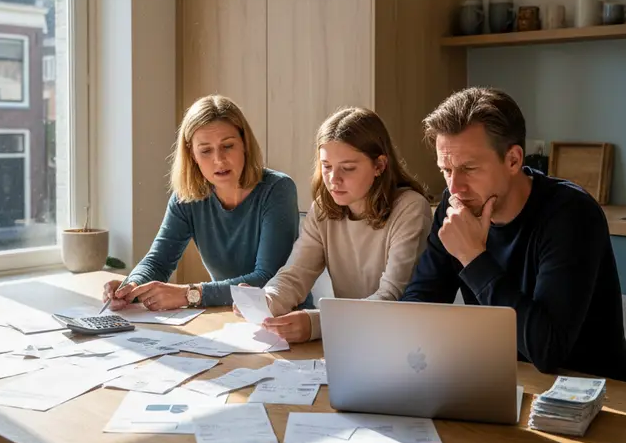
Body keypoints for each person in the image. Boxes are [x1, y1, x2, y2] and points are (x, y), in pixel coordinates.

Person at [402, 87, 626, 382]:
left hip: (592, 394)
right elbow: (418, 306)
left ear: (513, 160)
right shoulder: (455, 205)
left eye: (469, 168)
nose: (456, 186)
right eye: (446, 170)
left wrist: (473, 258)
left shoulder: (571, 214)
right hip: (504, 382)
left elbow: (547, 350)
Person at [252, 106, 432, 343]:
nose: (333, 180)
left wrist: (317, 323)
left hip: (400, 341)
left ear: (379, 165)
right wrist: (266, 300)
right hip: (348, 339)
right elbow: (295, 274)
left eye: (347, 168)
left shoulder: (410, 208)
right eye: (326, 167)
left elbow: (391, 298)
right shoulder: (323, 209)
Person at [103, 95, 299, 311]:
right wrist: (131, 286)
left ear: (244, 144)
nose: (219, 160)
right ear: (192, 155)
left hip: (283, 318)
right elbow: (158, 262)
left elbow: (267, 279)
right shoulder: (187, 197)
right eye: (206, 150)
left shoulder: (277, 189)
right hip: (225, 317)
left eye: (228, 146)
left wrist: (190, 294)